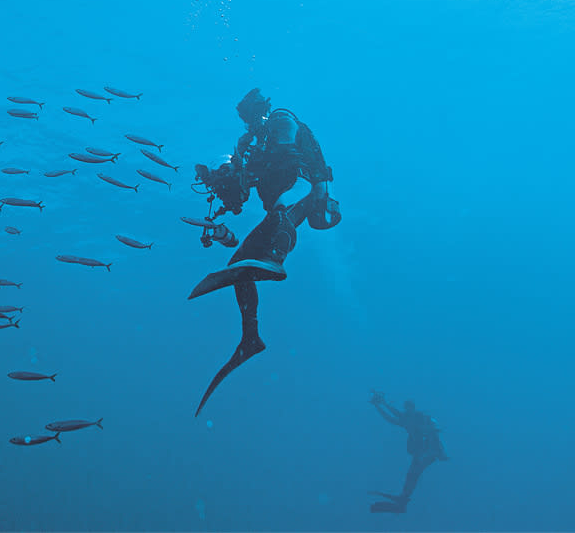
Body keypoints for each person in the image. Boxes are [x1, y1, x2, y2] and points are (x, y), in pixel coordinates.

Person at [187, 88, 341, 416]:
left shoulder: (282, 122)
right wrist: (226, 181)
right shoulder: (249, 144)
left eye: (253, 116)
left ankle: (276, 261)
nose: (250, 123)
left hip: (302, 191)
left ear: (263, 111)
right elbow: (239, 201)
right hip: (278, 210)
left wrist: (254, 160)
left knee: (282, 208)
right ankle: (250, 339)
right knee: (237, 265)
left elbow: (287, 154)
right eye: (245, 119)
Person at [368, 392, 447, 514]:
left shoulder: (419, 419)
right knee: (412, 475)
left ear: (412, 408)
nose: (407, 410)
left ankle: (403, 499)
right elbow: (393, 416)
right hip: (422, 452)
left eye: (409, 408)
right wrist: (380, 405)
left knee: (413, 474)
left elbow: (396, 416)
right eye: (406, 408)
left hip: (428, 452)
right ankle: (403, 498)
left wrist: (380, 405)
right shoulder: (407, 419)